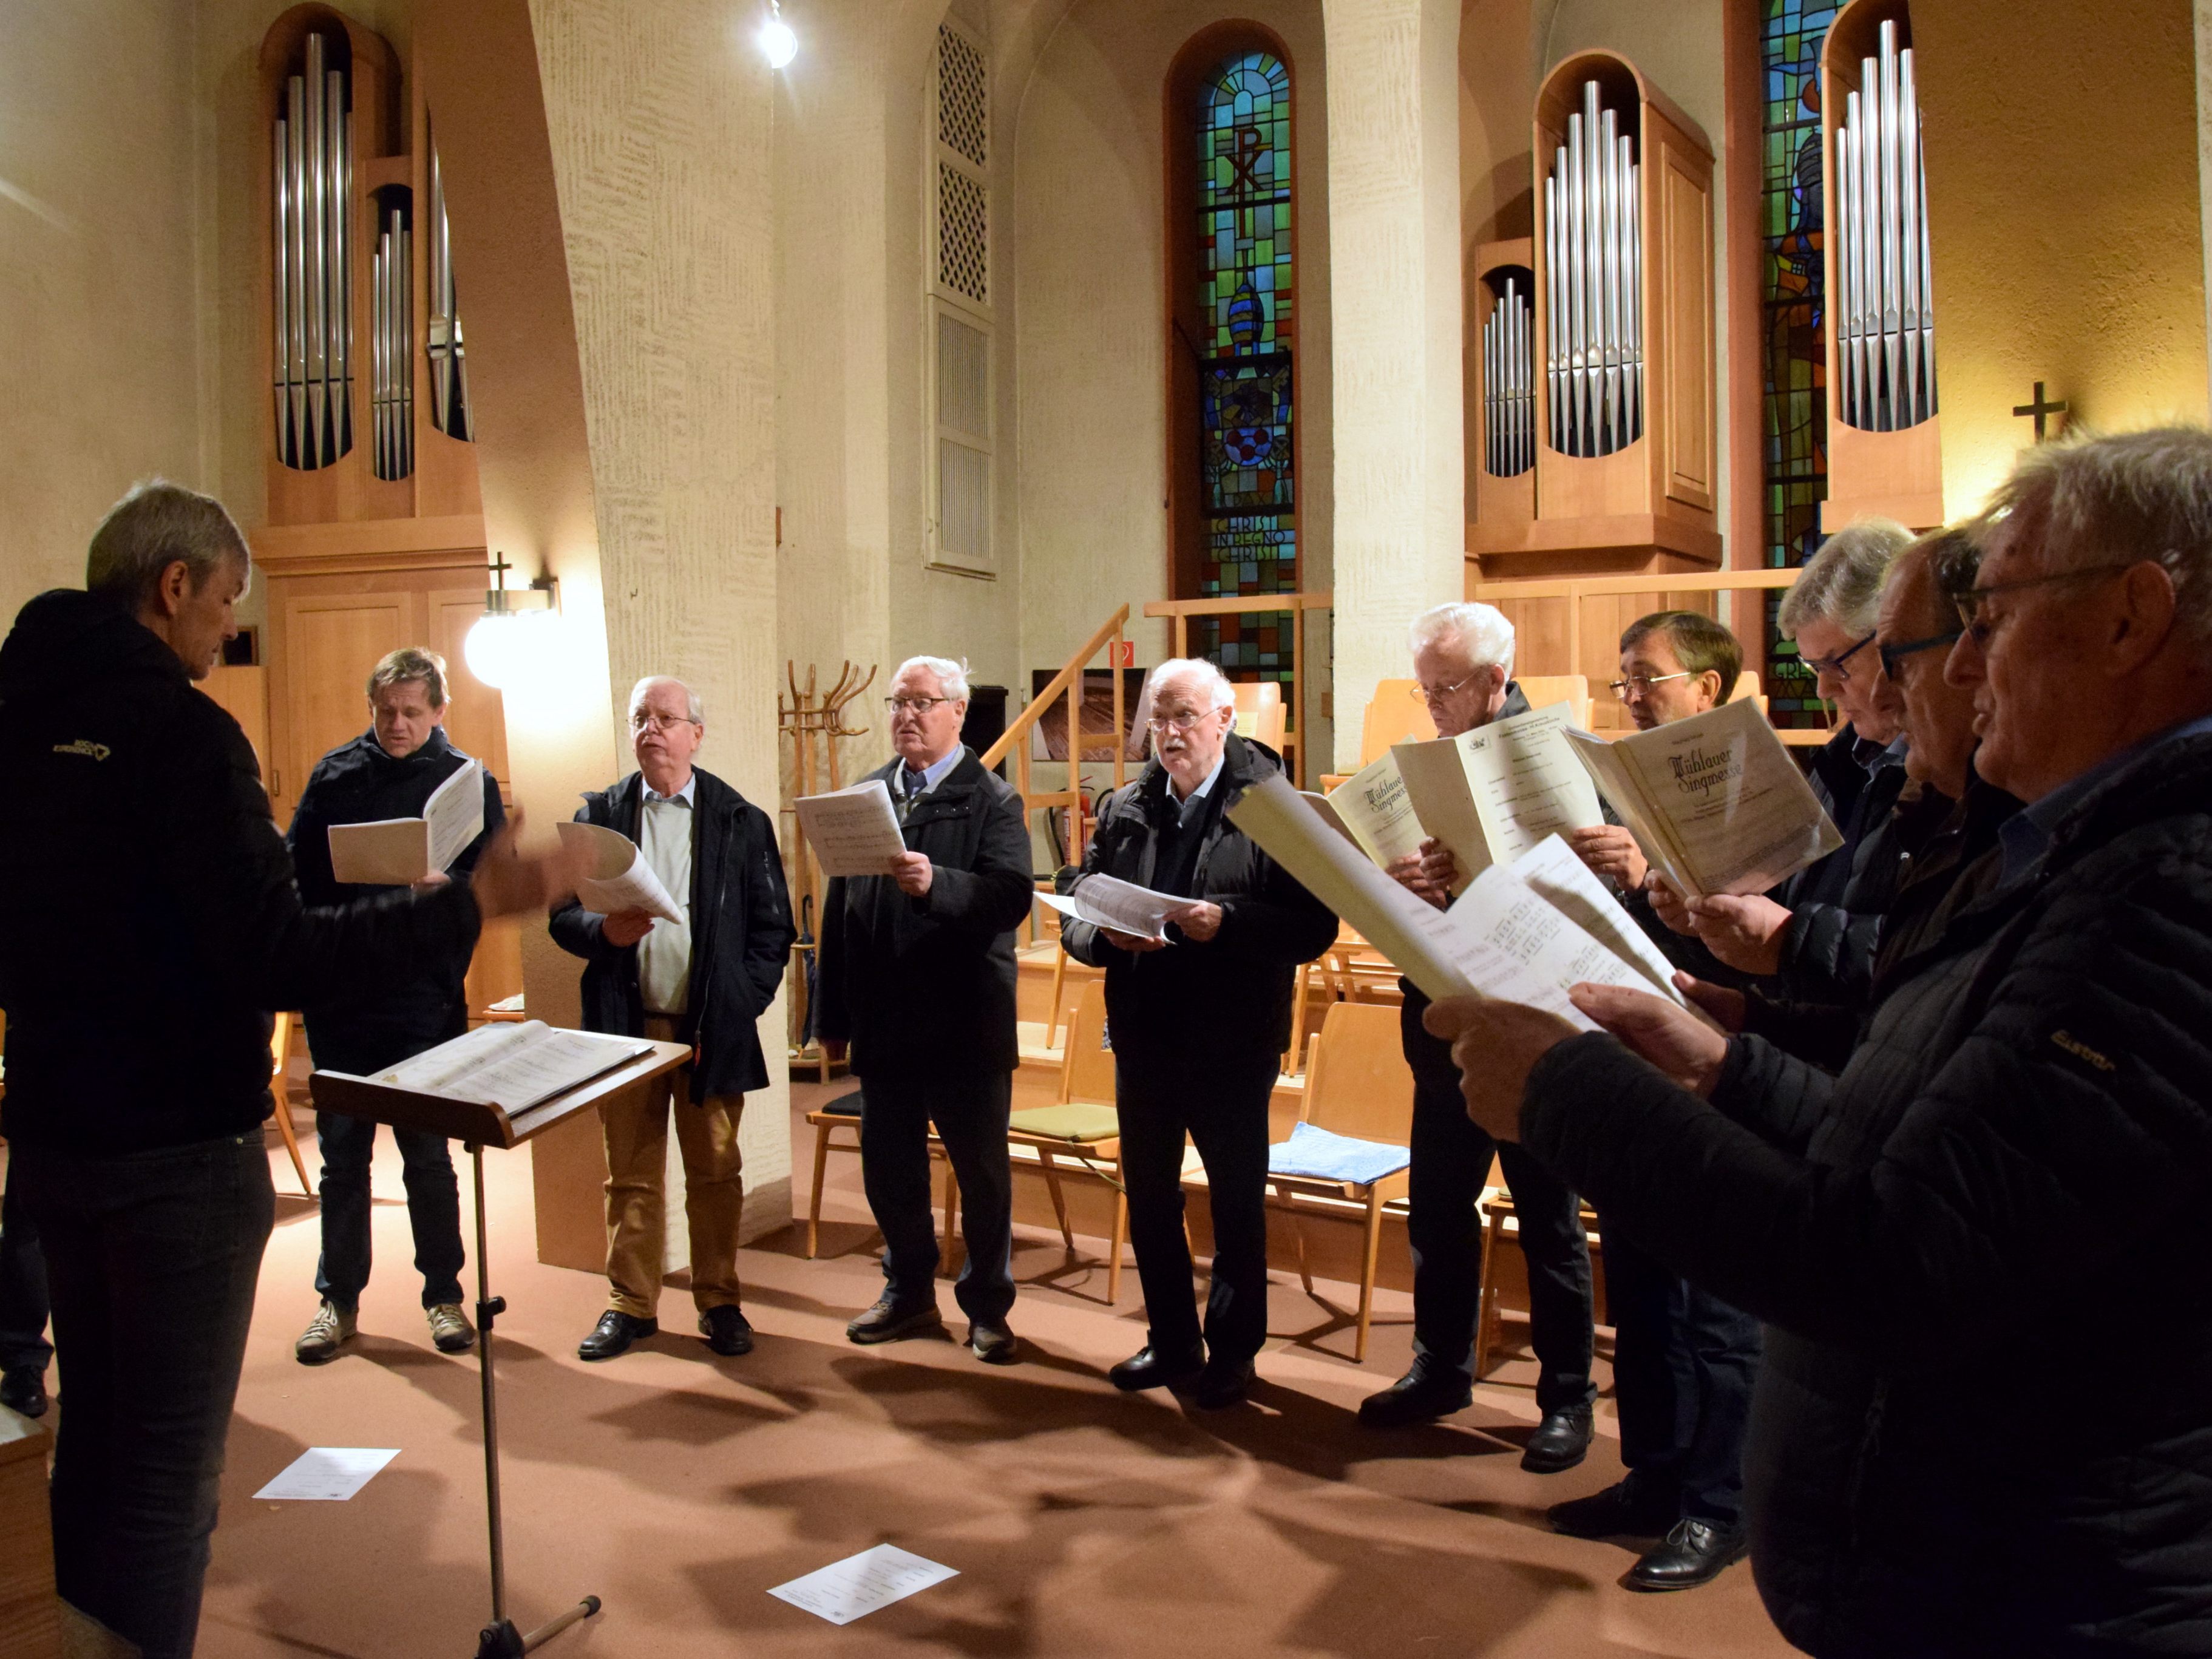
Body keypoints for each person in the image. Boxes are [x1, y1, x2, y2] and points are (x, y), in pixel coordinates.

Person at [1429, 427, 2212, 1655]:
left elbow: (1899, 1262)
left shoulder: (2169, 892)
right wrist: (1714, 1060)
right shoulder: (2071, 853)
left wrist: (1563, 1086)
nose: (1963, 664)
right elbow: (1898, 1145)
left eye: (1993, 617)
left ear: (2131, 616)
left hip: (2045, 1589)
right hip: (1975, 1566)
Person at [0, 480, 569, 1659]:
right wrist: (468, 904)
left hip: (52, 1133)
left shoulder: (16, 717)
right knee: (163, 1481)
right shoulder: (181, 733)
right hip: (175, 1155)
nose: (226, 631)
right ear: (173, 586)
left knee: (90, 1439)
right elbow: (280, 951)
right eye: (224, 603)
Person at [1543, 606, 1766, 1590]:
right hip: (1629, 1059)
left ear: (1707, 689)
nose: (1629, 695)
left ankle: (1720, 1505)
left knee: (1717, 1307)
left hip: (1718, 1065)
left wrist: (1645, 875)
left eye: (1647, 678)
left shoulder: (1749, 788)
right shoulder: (1613, 785)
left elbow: (1754, 942)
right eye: (1622, 679)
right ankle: (1655, 1474)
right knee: (1639, 1291)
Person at [1354, 603, 1599, 1477]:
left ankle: (1566, 1395)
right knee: (1437, 1210)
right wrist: (1404, 881)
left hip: (1537, 1022)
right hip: (1447, 1021)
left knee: (1547, 1220)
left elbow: (1597, 890)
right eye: (1424, 689)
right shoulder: (1427, 764)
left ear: (1497, 678)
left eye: (1446, 687)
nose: (1433, 705)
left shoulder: (1555, 755)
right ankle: (1441, 1367)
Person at [1059, 659, 1337, 1410]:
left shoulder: (1274, 808)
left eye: (1184, 717)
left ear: (1224, 720)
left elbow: (1314, 926)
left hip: (1232, 1038)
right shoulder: (1128, 804)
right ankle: (1173, 1339)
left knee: (1234, 1202)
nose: (1169, 733)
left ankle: (1234, 1352)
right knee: (1150, 1197)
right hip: (1144, 1031)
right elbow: (1078, 895)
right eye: (1158, 719)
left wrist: (1228, 923)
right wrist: (1101, 937)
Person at [551, 676, 795, 1362]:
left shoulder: (740, 819)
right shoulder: (599, 816)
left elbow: (774, 930)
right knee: (629, 1175)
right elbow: (561, 916)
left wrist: (740, 1000)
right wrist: (602, 932)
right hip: (625, 1027)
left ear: (696, 734)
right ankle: (630, 1304)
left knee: (715, 1172)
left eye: (665, 718)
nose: (651, 730)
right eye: (640, 718)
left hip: (708, 1029)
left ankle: (718, 1300)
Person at [285, 647, 507, 1363]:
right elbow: (297, 877)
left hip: (422, 998)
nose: (398, 724)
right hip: (343, 994)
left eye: (412, 712)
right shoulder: (335, 773)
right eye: (386, 712)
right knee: (342, 1159)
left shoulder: (466, 781)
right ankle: (337, 1300)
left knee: (426, 1156)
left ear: (439, 710)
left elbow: (490, 884)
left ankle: (443, 1295)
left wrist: (449, 889)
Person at [814, 656, 1035, 1362]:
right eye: (897, 703)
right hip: (886, 1020)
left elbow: (1012, 898)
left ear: (957, 711)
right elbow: (840, 912)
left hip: (965, 1022)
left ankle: (987, 1308)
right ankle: (907, 1291)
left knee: (981, 1177)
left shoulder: (991, 799)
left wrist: (938, 884)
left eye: (921, 702)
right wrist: (831, 1016)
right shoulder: (866, 795)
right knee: (891, 1171)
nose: (906, 715)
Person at [1661, 521, 1913, 996]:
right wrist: (1712, 913)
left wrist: (1787, 939)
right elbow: (1798, 898)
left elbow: (1928, 954)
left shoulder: (1955, 771)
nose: (1823, 689)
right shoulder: (1844, 761)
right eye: (1813, 667)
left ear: (1897, 640)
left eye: (1836, 664)